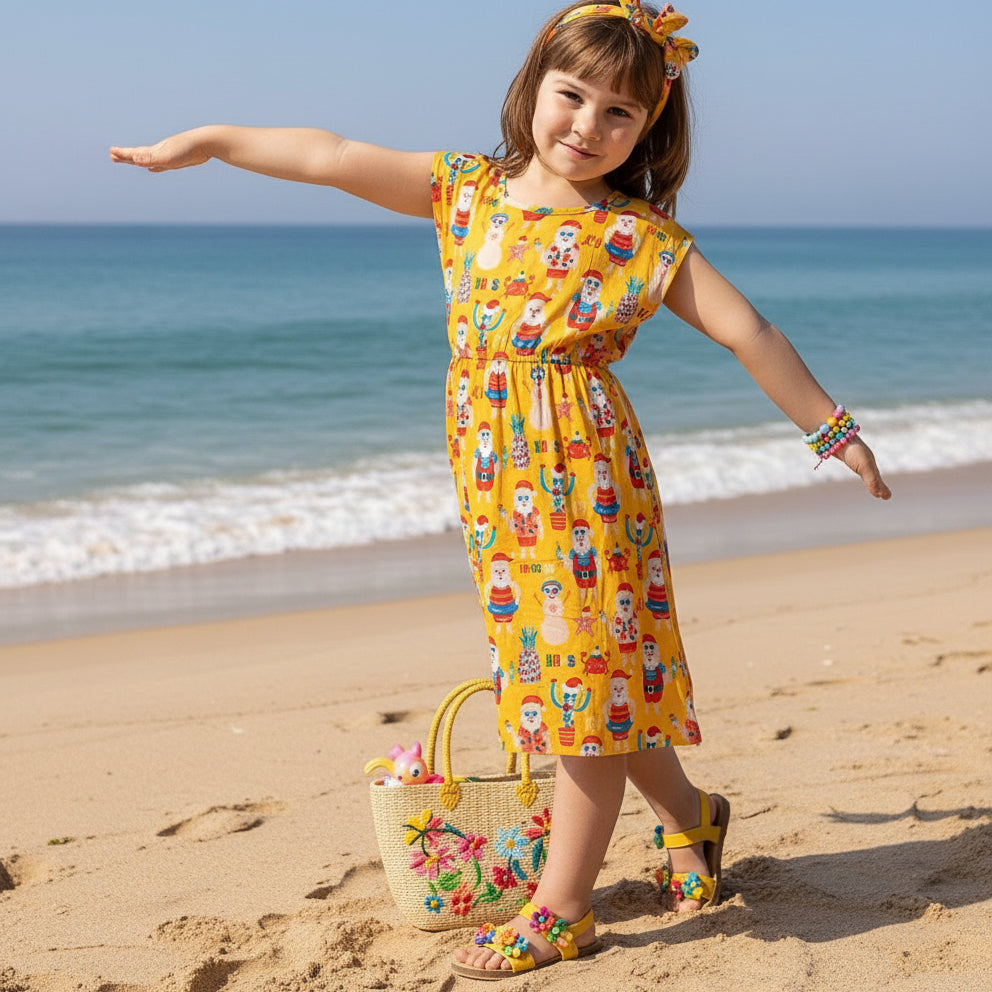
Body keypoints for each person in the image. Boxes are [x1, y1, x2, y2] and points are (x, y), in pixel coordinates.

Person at [110, 0, 891, 979]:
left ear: (649, 129)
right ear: (533, 88)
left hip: (588, 479)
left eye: (619, 114)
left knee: (580, 687)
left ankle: (561, 908)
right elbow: (328, 151)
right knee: (581, 680)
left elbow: (751, 332)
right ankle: (690, 817)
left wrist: (833, 433)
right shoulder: (464, 189)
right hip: (494, 482)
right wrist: (213, 141)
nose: (586, 126)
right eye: (571, 96)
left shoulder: (638, 238)